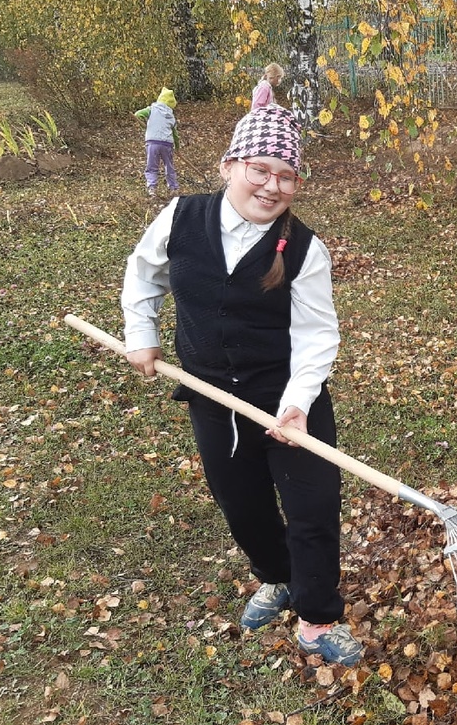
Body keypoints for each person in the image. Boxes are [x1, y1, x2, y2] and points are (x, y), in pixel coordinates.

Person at [120, 103, 363, 668]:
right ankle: (276, 577)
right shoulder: (181, 217)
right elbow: (143, 274)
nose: (272, 186)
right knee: (241, 501)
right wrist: (141, 333)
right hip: (211, 394)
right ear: (230, 165)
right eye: (260, 169)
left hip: (287, 397)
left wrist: (298, 404)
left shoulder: (303, 248)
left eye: (286, 176)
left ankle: (317, 616)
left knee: (312, 503)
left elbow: (316, 336)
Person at [134, 87, 181, 199]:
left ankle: (152, 188)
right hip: (167, 144)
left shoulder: (152, 109)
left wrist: (145, 127)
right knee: (169, 166)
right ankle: (173, 188)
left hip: (152, 143)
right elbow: (175, 135)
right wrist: (177, 148)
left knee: (151, 166)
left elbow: (137, 114)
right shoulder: (171, 116)